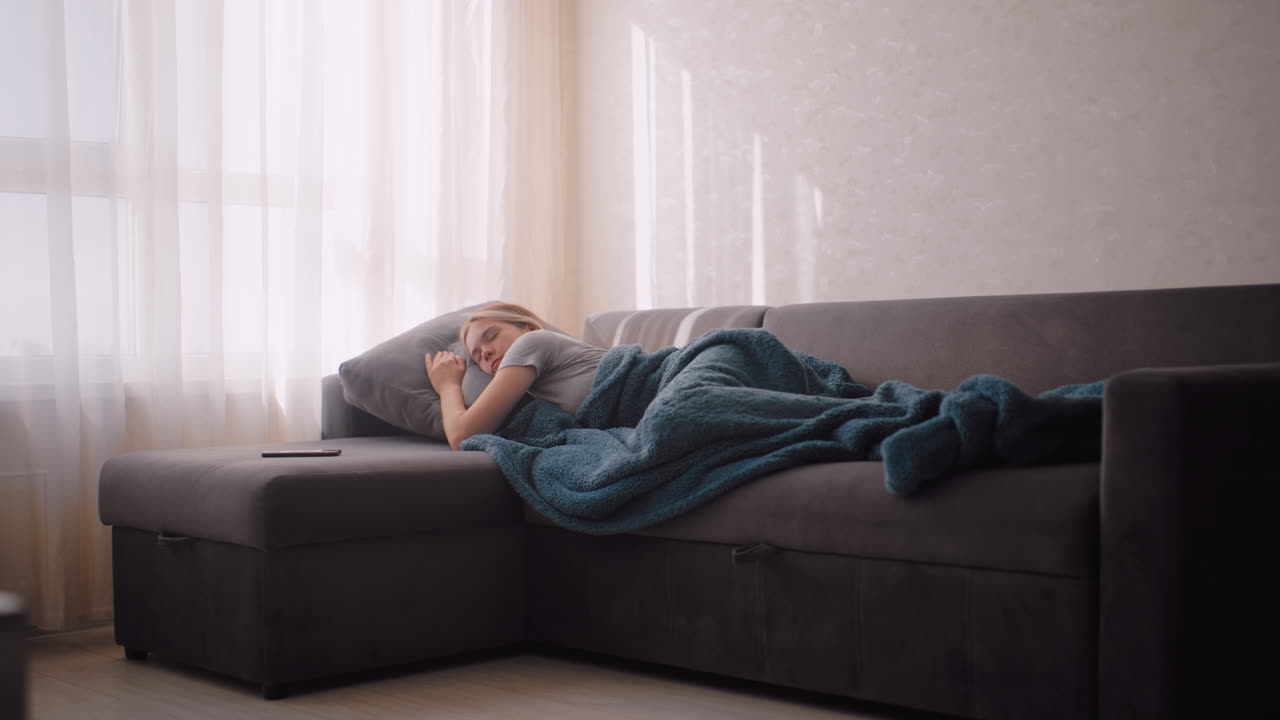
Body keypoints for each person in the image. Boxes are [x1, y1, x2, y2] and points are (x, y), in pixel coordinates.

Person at [425, 303, 606, 450]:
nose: (486, 352)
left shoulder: (533, 341)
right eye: (477, 356)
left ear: (531, 328)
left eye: (492, 336)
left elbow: (462, 436)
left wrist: (448, 386)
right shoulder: (532, 386)